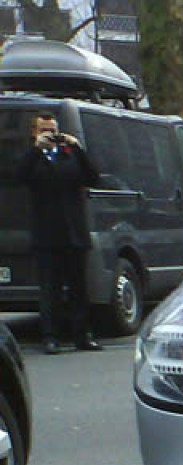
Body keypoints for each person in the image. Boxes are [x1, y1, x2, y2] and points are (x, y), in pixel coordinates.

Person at [15, 112, 102, 354]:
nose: (50, 134)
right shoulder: (31, 158)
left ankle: (82, 335)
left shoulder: (69, 154)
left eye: (52, 129)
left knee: (79, 289)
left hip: (74, 233)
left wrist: (78, 148)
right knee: (50, 289)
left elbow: (94, 178)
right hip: (47, 235)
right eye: (44, 130)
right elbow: (19, 177)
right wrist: (35, 150)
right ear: (34, 132)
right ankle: (50, 337)